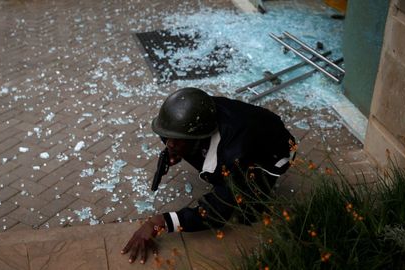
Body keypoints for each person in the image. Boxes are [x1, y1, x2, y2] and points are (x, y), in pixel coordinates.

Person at [121, 87, 296, 264]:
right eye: (168, 137)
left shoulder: (233, 155)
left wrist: (160, 221)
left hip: (274, 150)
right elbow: (173, 137)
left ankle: (254, 201)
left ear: (198, 136)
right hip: (244, 128)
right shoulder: (192, 115)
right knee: (215, 172)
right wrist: (173, 150)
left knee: (246, 210)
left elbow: (215, 212)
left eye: (176, 140)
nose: (169, 144)